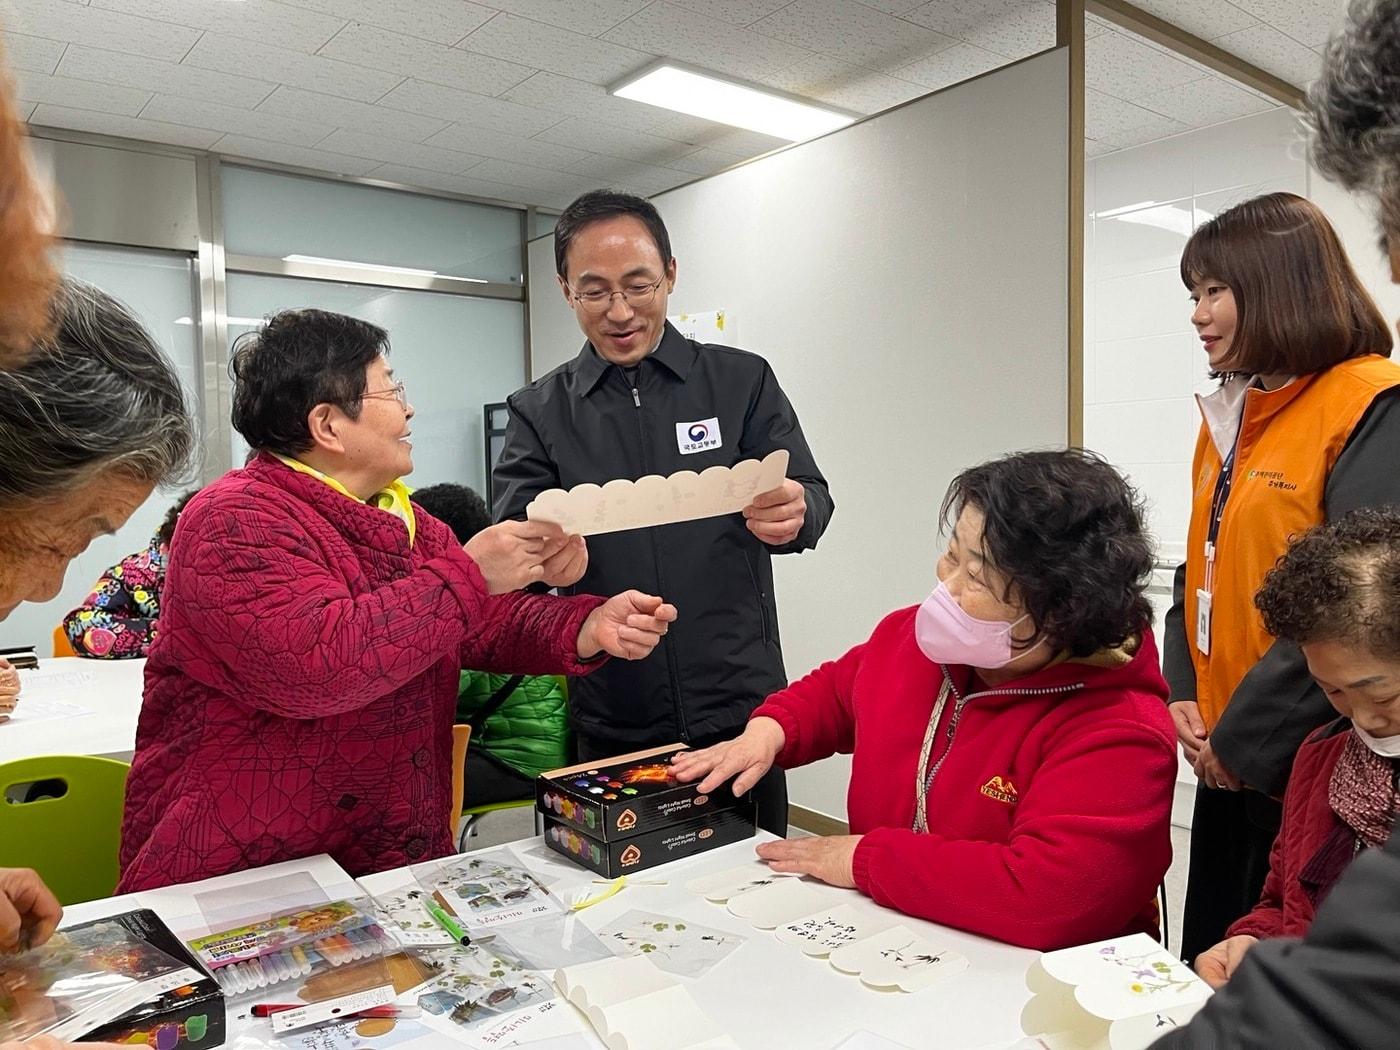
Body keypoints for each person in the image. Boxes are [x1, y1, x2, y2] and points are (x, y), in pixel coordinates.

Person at [117, 309, 678, 892]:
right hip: (248, 866)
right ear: (328, 425)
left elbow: (479, 623)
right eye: (391, 389)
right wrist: (470, 574)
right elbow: (318, 663)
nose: (408, 409)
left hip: (385, 849)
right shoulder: (234, 517)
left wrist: (586, 623)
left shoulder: (405, 517)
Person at [1152, 2, 1400, 1044]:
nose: (1200, 311)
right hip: (1228, 749)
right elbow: (1196, 573)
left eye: (1215, 288)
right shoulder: (1232, 412)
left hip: (1303, 754)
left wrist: (1241, 743)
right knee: (1214, 950)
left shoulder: (1362, 400)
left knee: (1285, 949)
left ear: (1278, 286)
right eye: (1191, 291)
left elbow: (1349, 603)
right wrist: (1179, 692)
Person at [674, 450, 1177, 950]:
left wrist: (865, 860)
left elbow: (1045, 896)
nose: (945, 582)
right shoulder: (919, 638)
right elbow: (837, 694)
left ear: (1061, 610)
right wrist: (769, 731)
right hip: (905, 934)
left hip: (1041, 981)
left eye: (975, 577)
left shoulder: (1120, 731)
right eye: (952, 553)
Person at [493, 189, 834, 835]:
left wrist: (799, 511)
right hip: (615, 705)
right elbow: (516, 558)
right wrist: (543, 563)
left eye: (638, 285)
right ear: (566, 290)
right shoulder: (538, 411)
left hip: (740, 702)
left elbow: (812, 491)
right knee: (625, 896)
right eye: (594, 291)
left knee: (755, 875)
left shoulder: (741, 380)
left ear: (671, 274)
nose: (619, 312)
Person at [1194, 509, 1400, 990]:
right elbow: (1281, 905)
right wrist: (1252, 944)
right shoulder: (1321, 757)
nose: (1363, 717)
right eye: (1333, 691)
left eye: (1383, 695)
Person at [412, 482, 571, 802]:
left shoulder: (469, 604)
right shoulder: (504, 591)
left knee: (415, 788)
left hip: (521, 759)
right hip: (510, 743)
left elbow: (435, 689)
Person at [61, 491, 197, 659]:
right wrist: (166, 635)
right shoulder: (134, 573)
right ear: (168, 546)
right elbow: (81, 627)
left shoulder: (232, 570)